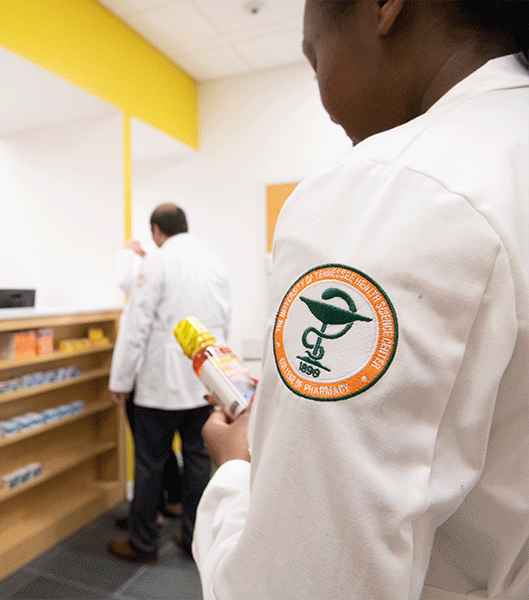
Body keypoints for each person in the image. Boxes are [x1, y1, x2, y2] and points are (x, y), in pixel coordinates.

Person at [193, 2, 528, 599]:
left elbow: (297, 585)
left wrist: (235, 469)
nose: (323, 97)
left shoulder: (395, 191)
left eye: (314, 55)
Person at [107, 203, 232, 563]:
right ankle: (195, 540)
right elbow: (225, 321)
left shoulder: (157, 262)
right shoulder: (215, 262)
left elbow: (136, 327)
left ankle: (143, 543)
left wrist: (121, 379)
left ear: (156, 231)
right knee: (197, 462)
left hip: (161, 384)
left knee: (150, 464)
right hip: (204, 379)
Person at [113, 238, 183, 529]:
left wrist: (121, 381)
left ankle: (148, 518)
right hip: (169, 381)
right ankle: (173, 503)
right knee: (161, 450)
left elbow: (124, 281)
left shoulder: (144, 287)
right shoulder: (176, 282)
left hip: (146, 381)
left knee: (149, 453)